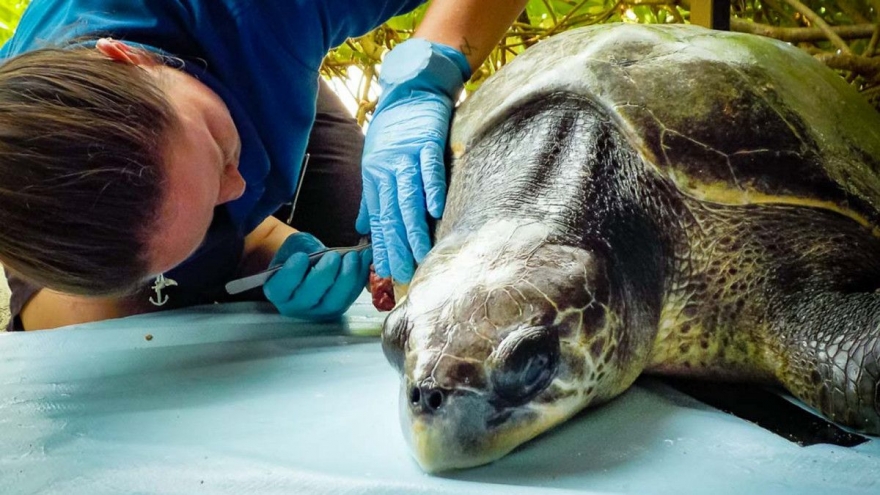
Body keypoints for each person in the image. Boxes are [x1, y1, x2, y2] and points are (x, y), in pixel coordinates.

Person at [0, 0, 528, 331]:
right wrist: (265, 253)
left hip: (242, 56)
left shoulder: (255, 13)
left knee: (374, 234)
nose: (241, 185)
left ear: (130, 58)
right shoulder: (32, 190)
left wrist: (429, 70)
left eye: (217, 152)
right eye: (208, 212)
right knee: (102, 332)